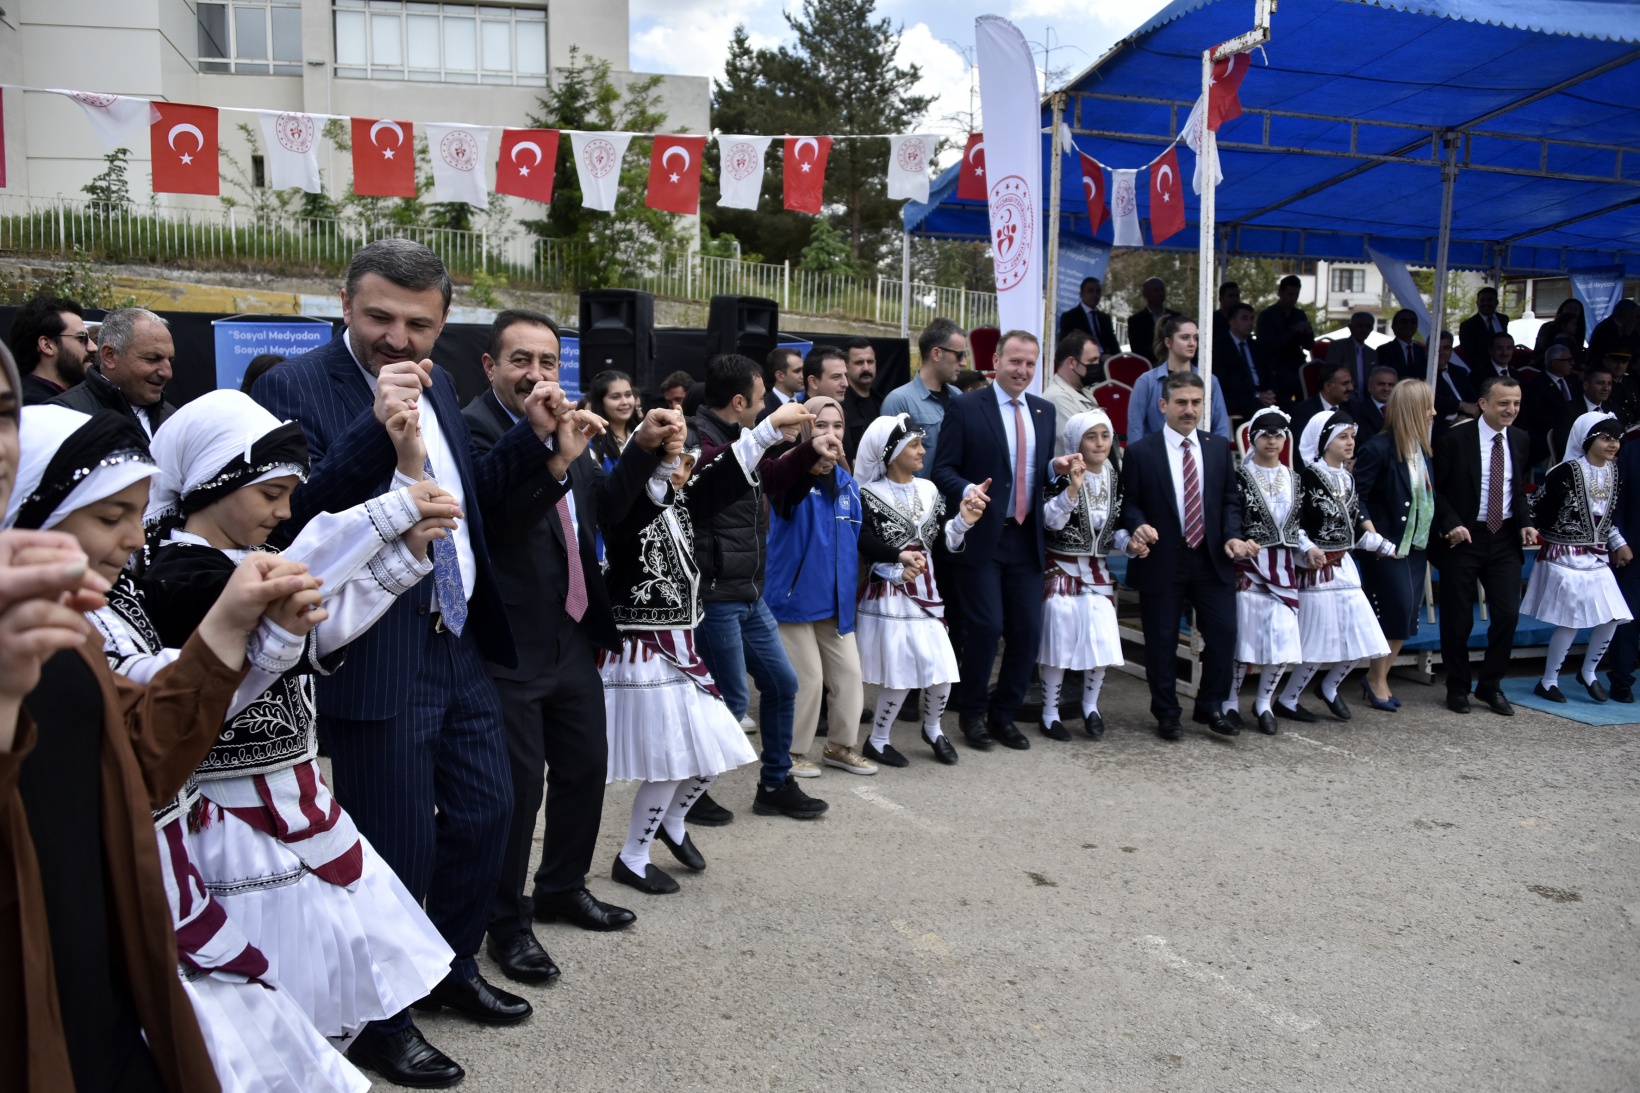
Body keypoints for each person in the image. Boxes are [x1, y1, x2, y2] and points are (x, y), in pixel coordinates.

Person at [249, 238, 570, 1086]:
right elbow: (290, 516)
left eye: (418, 324)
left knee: (489, 813)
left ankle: (449, 965)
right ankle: (381, 1017)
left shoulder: (445, 383)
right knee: (392, 845)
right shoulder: (291, 387)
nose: (398, 338)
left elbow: (465, 501)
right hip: (374, 649)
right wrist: (374, 427)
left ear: (442, 322)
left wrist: (534, 441)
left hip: (457, 638)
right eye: (380, 317)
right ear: (346, 305)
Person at [0, 377, 327, 1092]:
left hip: (91, 919)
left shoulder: (74, 624)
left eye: (138, 512)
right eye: (110, 514)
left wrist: (233, 623)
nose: (132, 537)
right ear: (32, 511)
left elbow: (145, 753)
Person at [140, 390, 460, 1036]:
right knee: (267, 985)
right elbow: (295, 586)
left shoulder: (240, 562)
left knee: (323, 969)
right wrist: (390, 509)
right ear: (214, 483)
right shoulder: (179, 575)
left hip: (295, 792)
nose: (284, 511)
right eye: (271, 494)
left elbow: (318, 626)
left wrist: (404, 552)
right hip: (231, 817)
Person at [463, 311, 661, 985]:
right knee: (517, 791)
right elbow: (493, 524)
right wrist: (549, 452)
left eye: (547, 361)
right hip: (509, 642)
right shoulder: (473, 429)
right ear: (490, 366)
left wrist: (642, 450)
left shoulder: (570, 422)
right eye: (520, 360)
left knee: (585, 766)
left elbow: (599, 510)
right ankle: (505, 922)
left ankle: (562, 886)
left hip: (572, 631)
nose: (535, 373)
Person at [601, 404, 808, 890]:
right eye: (676, 462)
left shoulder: (682, 502)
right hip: (646, 651)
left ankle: (673, 821)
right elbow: (643, 495)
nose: (683, 471)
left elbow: (725, 474)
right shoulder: (627, 504)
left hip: (681, 646)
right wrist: (659, 461)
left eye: (688, 462)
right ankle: (632, 856)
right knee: (671, 762)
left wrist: (766, 434)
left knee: (718, 745)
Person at [690, 354, 831, 821]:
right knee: (728, 701)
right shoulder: (695, 438)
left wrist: (810, 451)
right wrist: (769, 432)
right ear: (738, 401)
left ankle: (774, 785)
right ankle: (686, 795)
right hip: (714, 596)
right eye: (759, 400)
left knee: (782, 684)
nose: (765, 407)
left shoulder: (742, 438)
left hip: (749, 594)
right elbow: (710, 478)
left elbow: (770, 478)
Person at [932, 330, 1069, 751]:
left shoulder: (1044, 411)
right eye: (1014, 361)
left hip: (1027, 537)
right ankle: (972, 713)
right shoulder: (966, 406)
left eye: (1030, 364)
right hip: (982, 536)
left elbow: (1032, 473)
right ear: (995, 360)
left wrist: (1055, 469)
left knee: (1027, 630)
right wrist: (967, 490)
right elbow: (942, 469)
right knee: (986, 627)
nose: (1022, 371)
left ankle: (1003, 714)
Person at [1120, 371, 1251, 739]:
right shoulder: (1141, 452)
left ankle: (1210, 706)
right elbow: (1129, 504)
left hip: (1211, 557)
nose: (1189, 409)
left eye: (1196, 402)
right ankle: (1167, 713)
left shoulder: (1217, 447)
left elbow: (1230, 500)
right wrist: (1139, 525)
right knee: (1161, 641)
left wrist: (1234, 535)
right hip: (1162, 558)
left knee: (1224, 634)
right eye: (1181, 402)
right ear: (1164, 405)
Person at [856, 413, 984, 766]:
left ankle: (933, 728)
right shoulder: (867, 494)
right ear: (891, 452)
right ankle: (878, 740)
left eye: (921, 444)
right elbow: (863, 544)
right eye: (914, 444)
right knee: (900, 674)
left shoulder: (929, 490)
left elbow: (940, 544)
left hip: (928, 590)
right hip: (891, 593)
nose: (922, 450)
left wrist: (963, 521)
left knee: (943, 668)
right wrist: (897, 569)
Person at [766, 396, 872, 775]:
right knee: (808, 680)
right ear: (806, 429)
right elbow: (784, 502)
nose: (831, 432)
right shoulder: (787, 472)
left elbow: (861, 538)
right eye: (821, 425)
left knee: (849, 675)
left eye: (837, 425)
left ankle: (840, 747)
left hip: (836, 602)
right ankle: (791, 753)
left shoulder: (847, 482)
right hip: (792, 600)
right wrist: (810, 465)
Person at [1275, 410, 1394, 722]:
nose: (1350, 442)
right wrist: (1308, 547)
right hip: (1317, 571)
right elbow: (1292, 523)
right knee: (1319, 640)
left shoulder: (1348, 479)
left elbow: (1351, 529)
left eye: (1352, 436)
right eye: (1342, 437)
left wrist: (1378, 543)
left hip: (1344, 568)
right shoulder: (1306, 478)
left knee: (1362, 635)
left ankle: (1329, 687)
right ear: (1325, 441)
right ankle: (1288, 699)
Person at [1430, 375, 1536, 716]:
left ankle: (1490, 685)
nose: (1511, 409)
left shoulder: (1520, 439)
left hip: (1503, 537)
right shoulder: (1454, 439)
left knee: (1507, 614)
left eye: (1516, 403)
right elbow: (1437, 491)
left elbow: (1517, 491)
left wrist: (1526, 522)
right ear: (1483, 403)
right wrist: (1451, 523)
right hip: (1463, 538)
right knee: (1458, 618)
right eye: (1504, 403)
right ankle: (1457, 686)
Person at [1523, 412, 1633, 703]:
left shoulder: (1614, 472)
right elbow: (1536, 508)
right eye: (1606, 438)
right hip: (1564, 555)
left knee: (1613, 615)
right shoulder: (1565, 471)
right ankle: (1548, 680)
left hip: (1596, 556)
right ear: (1588, 440)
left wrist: (1618, 542)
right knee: (1571, 619)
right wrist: (1531, 530)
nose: (1613, 444)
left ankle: (1589, 671)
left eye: (1616, 439)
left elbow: (1606, 517)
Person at [1038, 408, 1125, 740]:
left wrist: (1131, 542)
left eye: (1105, 436)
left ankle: (1091, 706)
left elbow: (1114, 528)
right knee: (1058, 639)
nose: (1100, 443)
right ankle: (1050, 713)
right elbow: (1049, 521)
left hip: (1097, 571)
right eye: (1091, 437)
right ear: (1077, 442)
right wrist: (1072, 490)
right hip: (1061, 568)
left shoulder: (1114, 478)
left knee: (1102, 636)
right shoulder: (1061, 476)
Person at [1353, 379, 1437, 711]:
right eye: (1428, 406)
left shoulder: (1421, 449)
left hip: (1415, 545)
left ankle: (1379, 677)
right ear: (1413, 409)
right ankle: (1376, 678)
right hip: (1385, 547)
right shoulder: (1377, 448)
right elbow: (1357, 496)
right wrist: (1373, 534)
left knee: (1407, 616)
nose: (1433, 412)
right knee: (1397, 609)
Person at [1227, 407, 1303, 735]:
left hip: (1284, 567)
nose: (1273, 441)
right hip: (1249, 567)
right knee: (1244, 638)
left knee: (1282, 637)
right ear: (1254, 439)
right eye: (1266, 435)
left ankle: (1263, 702)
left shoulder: (1294, 479)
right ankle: (1230, 702)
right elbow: (1230, 517)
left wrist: (1309, 548)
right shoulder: (1239, 477)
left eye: (1278, 435)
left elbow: (1297, 525)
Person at [51, 307, 176, 437]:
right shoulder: (62, 415)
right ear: (109, 356)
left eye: (170, 360)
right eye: (152, 358)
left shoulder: (174, 419)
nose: (167, 373)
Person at [882, 318, 964, 478]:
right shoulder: (899, 400)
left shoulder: (958, 396)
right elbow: (890, 462)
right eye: (959, 355)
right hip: (916, 493)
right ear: (936, 354)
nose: (964, 363)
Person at [1126, 317, 1231, 443]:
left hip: (1200, 451)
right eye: (1185, 338)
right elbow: (1135, 428)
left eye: (1195, 338)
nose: (1192, 343)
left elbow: (1221, 426)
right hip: (1158, 452)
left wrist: (1219, 452)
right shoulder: (1147, 381)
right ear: (1168, 342)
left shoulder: (1210, 381)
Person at [1606, 428, 1640, 703]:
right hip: (1633, 550)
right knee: (1627, 618)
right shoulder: (1631, 451)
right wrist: (1619, 542)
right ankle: (1621, 680)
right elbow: (1614, 502)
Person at [9, 294, 92, 404]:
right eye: (81, 338)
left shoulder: (72, 400)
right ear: (47, 345)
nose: (93, 347)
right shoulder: (32, 407)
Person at [1257, 274, 1315, 404]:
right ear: (1280, 293)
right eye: (1289, 294)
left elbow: (1309, 345)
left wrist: (1307, 332)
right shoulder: (1267, 315)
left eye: (1296, 295)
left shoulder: (1299, 314)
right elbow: (1270, 344)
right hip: (1275, 366)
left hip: (1297, 365)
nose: (1293, 298)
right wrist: (1294, 330)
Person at [1215, 302, 1275, 420]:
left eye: (1251, 319)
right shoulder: (1219, 346)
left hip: (1261, 394)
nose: (1250, 323)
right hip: (1237, 396)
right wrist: (1256, 394)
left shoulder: (1256, 346)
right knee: (1261, 411)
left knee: (1292, 407)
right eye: (1244, 318)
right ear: (1232, 322)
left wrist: (1269, 392)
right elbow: (1225, 381)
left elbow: (1268, 373)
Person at [1551, 363, 1617, 463]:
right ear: (1586, 385)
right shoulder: (1568, 410)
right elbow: (1565, 445)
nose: (1606, 388)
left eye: (1609, 384)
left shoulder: (1613, 408)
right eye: (1600, 383)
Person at [1044, 331, 1099, 450]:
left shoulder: (1084, 393)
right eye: (1092, 361)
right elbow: (1086, 447)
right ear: (1072, 363)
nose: (1097, 365)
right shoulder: (1057, 398)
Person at [1524, 344, 1577, 465]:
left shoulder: (1573, 380)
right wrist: (1565, 426)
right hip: (1551, 438)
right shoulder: (1535, 385)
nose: (1572, 363)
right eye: (1568, 360)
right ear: (1555, 363)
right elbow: (1538, 416)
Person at [583, 368, 642, 473]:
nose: (625, 402)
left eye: (628, 395)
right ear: (600, 403)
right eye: (615, 397)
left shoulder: (643, 435)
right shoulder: (590, 446)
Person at [840, 336, 881, 461]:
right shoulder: (840, 405)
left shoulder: (882, 402)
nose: (866, 368)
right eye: (859, 363)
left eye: (870, 362)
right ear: (846, 366)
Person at [1058, 276, 1119, 356]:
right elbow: (1069, 347)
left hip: (1108, 359)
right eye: (1090, 291)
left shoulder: (1105, 318)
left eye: (1098, 291)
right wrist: (1098, 357)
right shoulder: (1070, 317)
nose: (1095, 294)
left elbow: (1114, 345)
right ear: (1081, 294)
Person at [1125, 277, 1180, 366]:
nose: (1160, 293)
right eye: (1156, 290)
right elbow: (1137, 349)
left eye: (1162, 289)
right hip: (1149, 364)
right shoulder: (1135, 321)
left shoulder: (1175, 317)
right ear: (1145, 294)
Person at [1433, 330, 1478, 440]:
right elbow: (1431, 397)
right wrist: (1461, 405)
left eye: (1446, 348)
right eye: (1437, 348)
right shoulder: (1419, 372)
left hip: (1466, 423)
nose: (1441, 352)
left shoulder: (1459, 371)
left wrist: (1466, 416)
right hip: (1439, 429)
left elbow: (1474, 400)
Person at [1292, 362, 1355, 434]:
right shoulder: (1303, 412)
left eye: (1351, 382)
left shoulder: (1352, 408)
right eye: (1345, 383)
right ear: (1328, 386)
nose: (1351, 388)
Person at [1457, 287, 1510, 370]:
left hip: (1502, 368)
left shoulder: (1503, 319)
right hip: (1480, 370)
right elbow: (1468, 354)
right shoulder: (1467, 325)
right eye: (1482, 300)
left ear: (1496, 302)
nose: (1486, 303)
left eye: (1490, 300)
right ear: (1477, 303)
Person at [1327, 312, 1379, 391]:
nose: (1364, 329)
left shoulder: (1372, 353)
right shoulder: (1338, 347)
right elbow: (1330, 374)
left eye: (1368, 326)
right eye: (1360, 326)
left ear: (1371, 329)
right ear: (1351, 327)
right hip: (1343, 395)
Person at [1533, 297, 1587, 369]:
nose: (1571, 311)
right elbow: (1542, 348)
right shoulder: (1548, 327)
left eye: (1575, 310)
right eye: (1568, 308)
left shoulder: (1578, 330)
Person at [1348, 365, 1398, 438]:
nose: (1386, 389)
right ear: (1370, 387)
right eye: (1381, 384)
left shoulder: (1402, 409)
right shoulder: (1359, 411)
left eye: (1390, 385)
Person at [1376, 310, 1427, 380]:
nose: (1409, 325)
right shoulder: (1384, 350)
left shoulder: (1422, 351)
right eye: (1403, 322)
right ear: (1394, 327)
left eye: (1413, 322)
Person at [1587, 299, 1640, 367]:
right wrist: (1626, 335)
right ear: (1627, 314)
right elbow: (1615, 351)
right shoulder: (1605, 328)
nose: (1637, 320)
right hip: (1602, 367)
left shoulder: (1629, 329)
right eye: (1636, 316)